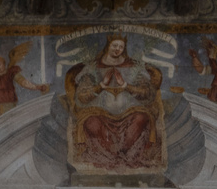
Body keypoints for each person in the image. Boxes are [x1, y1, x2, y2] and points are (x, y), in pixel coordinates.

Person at [65, 35, 164, 171]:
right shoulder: (93, 68)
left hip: (130, 112)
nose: (118, 49)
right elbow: (81, 96)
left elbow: (147, 92)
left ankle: (126, 157)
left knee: (141, 118)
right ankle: (109, 160)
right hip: (99, 113)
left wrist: (126, 86)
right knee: (91, 123)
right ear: (108, 46)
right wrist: (101, 86)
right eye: (115, 46)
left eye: (121, 47)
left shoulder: (134, 67)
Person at [0, 42, 49, 113]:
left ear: (4, 64)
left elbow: (23, 82)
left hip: (9, 103)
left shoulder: (10, 73)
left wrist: (36, 87)